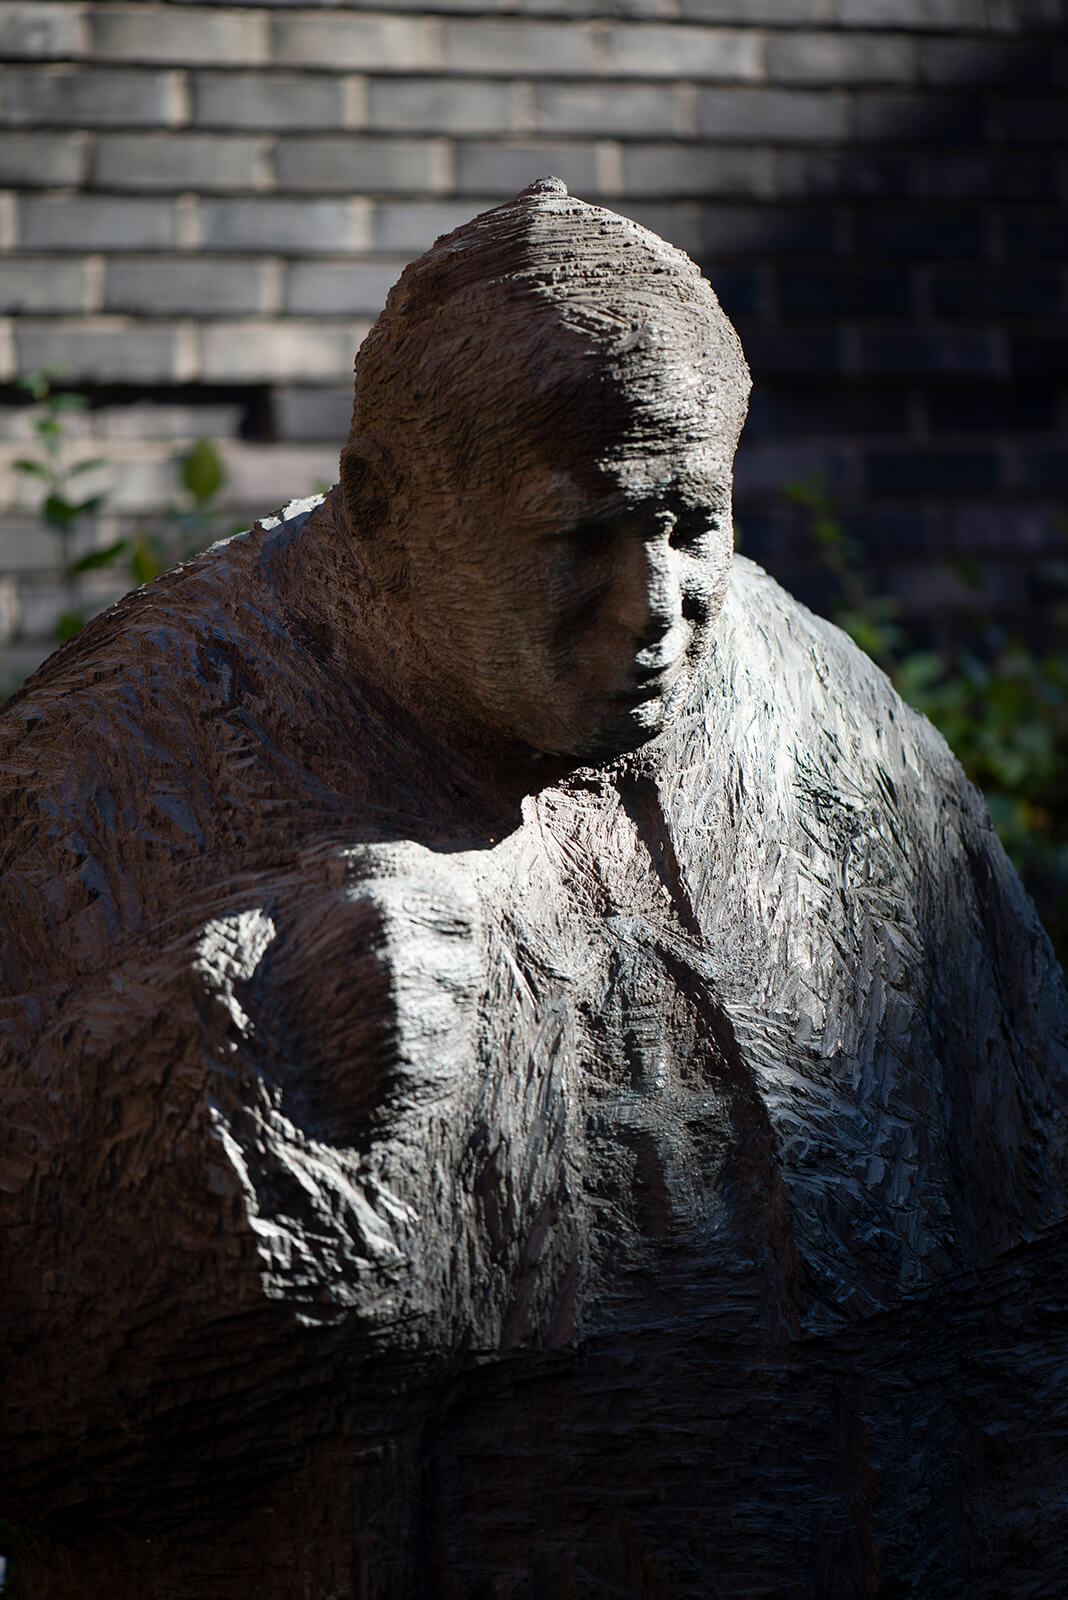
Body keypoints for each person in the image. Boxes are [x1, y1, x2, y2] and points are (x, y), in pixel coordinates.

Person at [2, 178, 1066, 1598]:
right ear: (387, 508)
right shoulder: (108, 762)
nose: (660, 606)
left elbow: (1032, 1264)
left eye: (694, 522)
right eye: (584, 535)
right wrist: (215, 1071)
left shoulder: (836, 729)